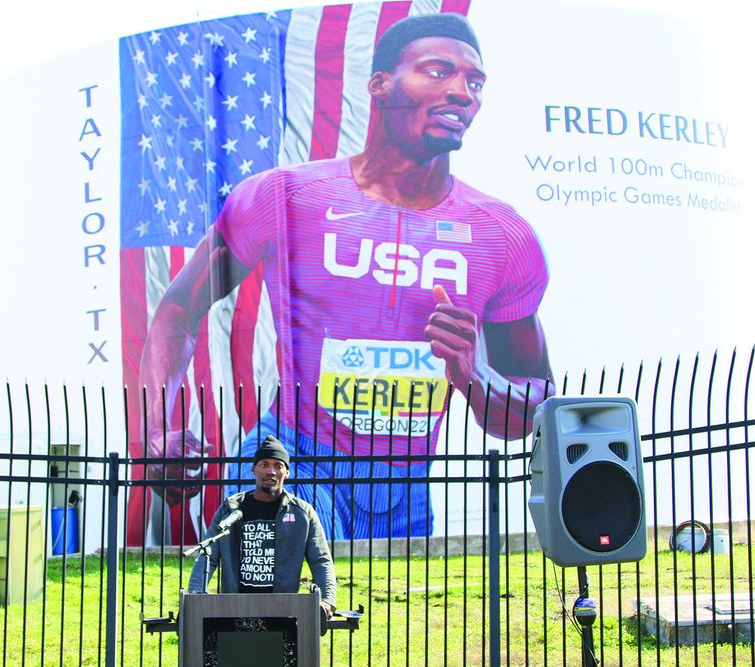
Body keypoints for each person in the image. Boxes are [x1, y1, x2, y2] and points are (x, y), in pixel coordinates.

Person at [141, 13, 554, 539]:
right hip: (294, 460)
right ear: (379, 84)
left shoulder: (503, 235)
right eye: (436, 71)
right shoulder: (284, 196)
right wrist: (156, 433)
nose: (461, 92)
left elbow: (535, 406)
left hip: (406, 491)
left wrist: (476, 377)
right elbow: (178, 308)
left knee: (402, 622)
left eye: (474, 82)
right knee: (284, 599)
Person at [188, 436, 337, 619]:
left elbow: (320, 561)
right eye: (264, 464)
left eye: (278, 465)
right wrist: (195, 595)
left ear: (287, 472)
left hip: (283, 610)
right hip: (236, 608)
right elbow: (208, 556)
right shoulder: (231, 509)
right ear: (254, 469)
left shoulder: (302, 513)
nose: (271, 471)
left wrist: (327, 600)